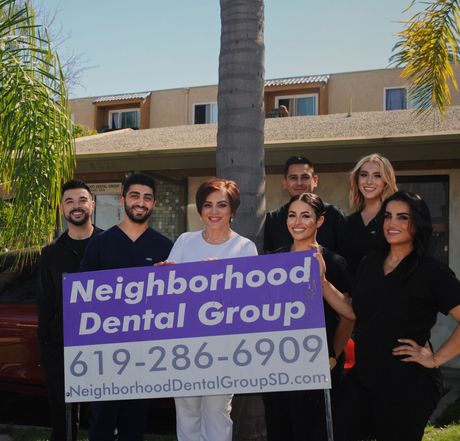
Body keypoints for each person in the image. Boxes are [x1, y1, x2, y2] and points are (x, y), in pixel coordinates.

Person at [333, 191, 460, 441]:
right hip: (364, 375)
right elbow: (353, 311)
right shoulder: (371, 262)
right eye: (388, 216)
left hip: (407, 383)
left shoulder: (431, 272)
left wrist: (435, 359)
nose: (392, 223)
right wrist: (323, 281)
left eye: (403, 217)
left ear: (418, 223)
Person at [80, 173, 173, 441]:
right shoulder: (100, 244)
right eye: (135, 196)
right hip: (104, 354)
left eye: (147, 198)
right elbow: (83, 298)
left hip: (144, 354)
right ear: (123, 200)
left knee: (134, 425)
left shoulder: (165, 247)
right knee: (101, 424)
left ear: (154, 204)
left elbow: (172, 304)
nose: (140, 203)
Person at [166, 178, 258, 441]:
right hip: (185, 345)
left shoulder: (244, 248)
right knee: (186, 411)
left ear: (232, 210)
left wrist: (221, 281)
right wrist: (162, 276)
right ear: (200, 209)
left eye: (222, 205)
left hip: (224, 348)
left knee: (217, 412)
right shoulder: (185, 242)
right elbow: (168, 294)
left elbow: (251, 302)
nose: (214, 211)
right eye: (208, 205)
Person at [262, 192, 355, 441]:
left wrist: (333, 356)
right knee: (279, 430)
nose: (297, 222)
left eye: (306, 215)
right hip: (277, 366)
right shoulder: (272, 260)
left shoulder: (334, 263)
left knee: (313, 432)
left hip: (319, 367)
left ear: (320, 221)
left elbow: (348, 316)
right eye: (292, 215)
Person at [38, 179, 102, 441]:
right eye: (70, 201)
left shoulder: (109, 245)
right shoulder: (51, 254)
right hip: (62, 349)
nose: (77, 206)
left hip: (105, 348)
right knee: (64, 422)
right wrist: (49, 348)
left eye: (82, 200)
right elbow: (45, 304)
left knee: (104, 417)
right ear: (62, 209)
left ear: (92, 205)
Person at [264, 156, 345, 253]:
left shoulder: (335, 215)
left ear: (315, 180)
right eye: (293, 178)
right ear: (285, 182)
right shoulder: (273, 219)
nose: (299, 183)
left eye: (305, 177)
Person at [339, 153, 398, 276]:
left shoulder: (393, 220)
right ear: (357, 179)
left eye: (377, 176)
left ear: (386, 181)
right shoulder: (348, 222)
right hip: (352, 293)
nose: (369, 181)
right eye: (364, 175)